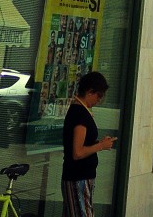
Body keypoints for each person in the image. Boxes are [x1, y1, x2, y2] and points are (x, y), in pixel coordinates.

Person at [62, 70, 116, 216]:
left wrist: (99, 143)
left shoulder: (81, 112)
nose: (99, 100)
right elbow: (78, 152)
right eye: (99, 96)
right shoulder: (79, 114)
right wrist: (101, 146)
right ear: (90, 91)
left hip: (82, 177)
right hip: (78, 177)